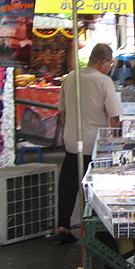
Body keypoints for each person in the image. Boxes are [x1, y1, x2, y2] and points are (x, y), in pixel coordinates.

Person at [57, 43, 122, 244]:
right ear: (103, 62)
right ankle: (98, 232)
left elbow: (63, 113)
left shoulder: (70, 78)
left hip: (72, 143)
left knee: (68, 186)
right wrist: (116, 141)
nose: (110, 67)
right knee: (96, 190)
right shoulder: (104, 81)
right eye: (110, 63)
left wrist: (71, 132)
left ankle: (63, 225)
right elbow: (114, 117)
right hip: (95, 146)